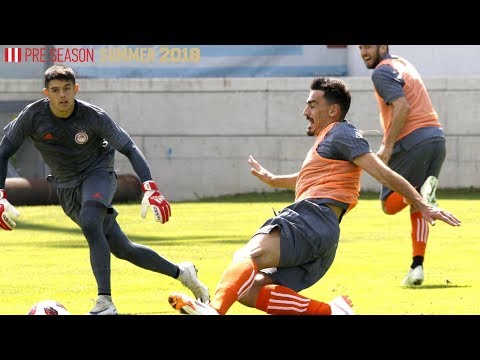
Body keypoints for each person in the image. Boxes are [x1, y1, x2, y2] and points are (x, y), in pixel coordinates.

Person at [167, 77, 461, 316]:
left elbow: (381, 171)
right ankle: (331, 312)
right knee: (248, 290)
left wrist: (422, 204)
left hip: (311, 219)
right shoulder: (329, 142)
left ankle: (215, 311)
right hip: (323, 236)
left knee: (248, 255)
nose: (304, 111)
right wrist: (273, 179)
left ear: (332, 110)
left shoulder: (341, 133)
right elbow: (307, 178)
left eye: (311, 104)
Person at [0, 64, 210, 315]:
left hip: (98, 174)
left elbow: (129, 147)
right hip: (65, 186)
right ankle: (182, 272)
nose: (62, 95)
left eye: (67, 88)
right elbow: (3, 152)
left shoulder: (93, 116)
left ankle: (105, 303)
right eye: (55, 90)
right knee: (123, 249)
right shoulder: (32, 116)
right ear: (46, 93)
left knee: (91, 222)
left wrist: (149, 187)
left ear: (76, 89)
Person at [358, 45, 447, 286]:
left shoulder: (381, 72)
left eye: (368, 46)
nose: (364, 51)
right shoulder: (402, 63)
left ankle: (420, 193)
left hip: (412, 141)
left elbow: (403, 106)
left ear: (383, 46)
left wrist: (387, 146)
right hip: (436, 137)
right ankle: (417, 266)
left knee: (389, 204)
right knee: (420, 206)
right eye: (360, 47)